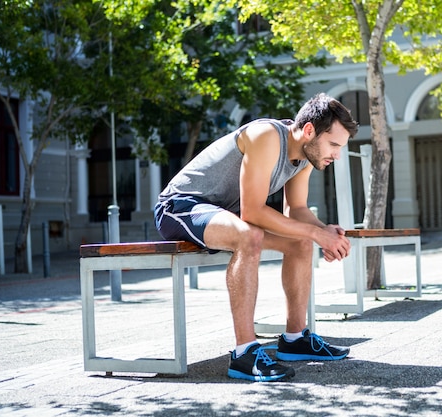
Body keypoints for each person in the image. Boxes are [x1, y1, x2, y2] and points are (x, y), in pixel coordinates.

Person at [154, 93, 359, 382]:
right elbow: (252, 212)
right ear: (310, 130)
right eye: (334, 145)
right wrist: (316, 233)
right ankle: (244, 354)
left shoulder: (306, 155)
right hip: (181, 206)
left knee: (300, 242)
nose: (336, 154)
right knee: (249, 235)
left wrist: (323, 232)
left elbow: (297, 210)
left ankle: (295, 338)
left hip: (226, 215)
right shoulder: (266, 135)